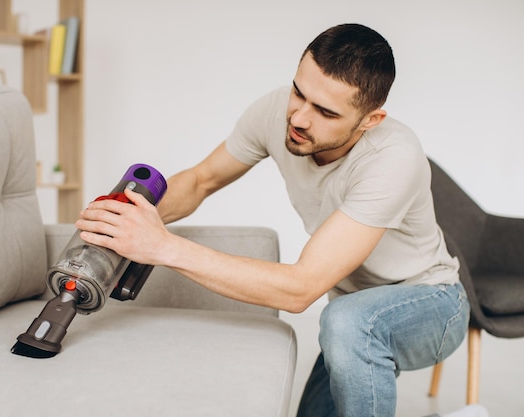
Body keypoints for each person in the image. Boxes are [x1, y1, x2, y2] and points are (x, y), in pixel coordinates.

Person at [76, 23, 471, 417]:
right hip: (354, 315)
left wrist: (161, 246)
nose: (299, 117)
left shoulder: (393, 158)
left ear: (370, 120)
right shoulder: (275, 111)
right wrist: (126, 218)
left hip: (431, 303)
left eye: (325, 111)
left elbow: (300, 289)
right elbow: (201, 180)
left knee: (347, 320)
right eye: (299, 92)